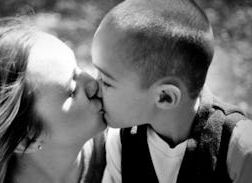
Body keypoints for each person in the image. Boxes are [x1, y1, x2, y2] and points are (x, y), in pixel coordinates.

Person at [91, 0, 252, 182]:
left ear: (165, 97)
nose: (93, 86)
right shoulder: (121, 142)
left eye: (106, 81)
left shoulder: (239, 147)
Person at [0, 17, 106, 183]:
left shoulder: (126, 150)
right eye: (72, 91)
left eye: (79, 68)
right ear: (25, 138)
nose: (94, 83)